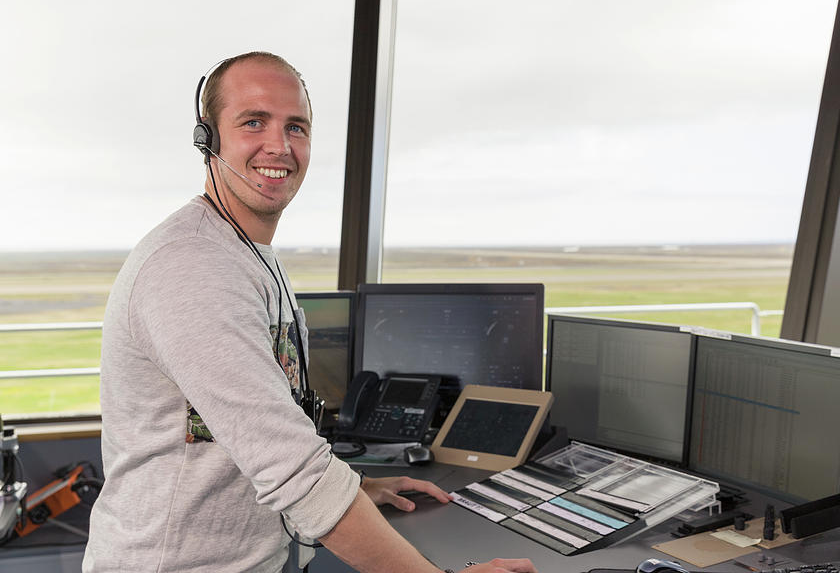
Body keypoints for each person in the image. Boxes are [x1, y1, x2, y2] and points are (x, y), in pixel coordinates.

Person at [83, 51, 537, 573]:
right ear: (208, 139)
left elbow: (267, 438)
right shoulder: (191, 268)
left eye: (296, 126)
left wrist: (358, 487)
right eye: (254, 121)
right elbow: (292, 468)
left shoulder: (250, 256)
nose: (279, 145)